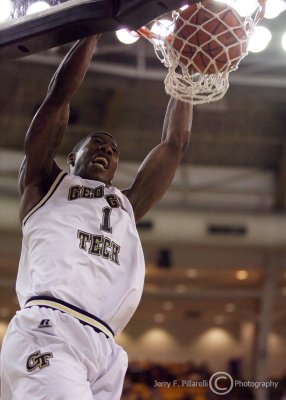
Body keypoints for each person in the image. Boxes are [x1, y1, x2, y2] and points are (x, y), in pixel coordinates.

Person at [0, 34, 193, 400]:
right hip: (50, 327)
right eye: (97, 143)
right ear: (72, 158)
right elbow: (58, 99)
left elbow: (175, 144)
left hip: (103, 345)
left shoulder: (127, 205)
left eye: (113, 149)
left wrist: (185, 73)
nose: (106, 149)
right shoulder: (45, 183)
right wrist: (96, 29)